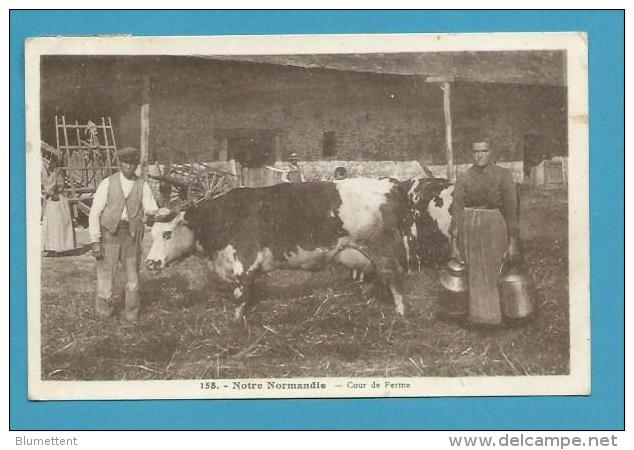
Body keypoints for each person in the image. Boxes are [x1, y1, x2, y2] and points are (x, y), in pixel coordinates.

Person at [447, 141, 520, 326]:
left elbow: (512, 209)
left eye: (484, 151)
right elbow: (456, 209)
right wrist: (454, 241)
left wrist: (512, 241)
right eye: (476, 151)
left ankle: (495, 316)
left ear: (491, 152)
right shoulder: (465, 177)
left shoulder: (503, 175)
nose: (479, 155)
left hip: (494, 225)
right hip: (469, 225)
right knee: (473, 271)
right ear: (472, 153)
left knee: (493, 269)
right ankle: (476, 317)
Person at [88, 147, 158, 322]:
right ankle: (104, 315)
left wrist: (152, 215)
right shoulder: (107, 183)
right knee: (106, 277)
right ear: (120, 163)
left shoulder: (143, 185)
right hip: (109, 235)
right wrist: (95, 241)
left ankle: (131, 316)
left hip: (131, 236)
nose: (129, 166)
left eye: (133, 163)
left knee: (133, 278)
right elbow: (95, 212)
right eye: (125, 162)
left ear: (136, 165)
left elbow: (151, 208)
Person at [42, 158, 76, 255]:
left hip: (56, 200)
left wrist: (50, 192)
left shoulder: (57, 174)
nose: (51, 164)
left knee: (56, 225)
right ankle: (52, 248)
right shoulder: (55, 173)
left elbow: (57, 186)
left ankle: (57, 249)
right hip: (53, 200)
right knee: (52, 224)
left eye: (53, 163)